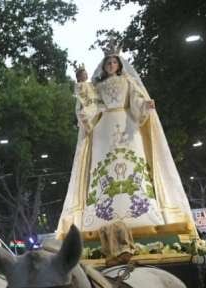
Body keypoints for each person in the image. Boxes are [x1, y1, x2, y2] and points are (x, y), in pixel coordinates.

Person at [57, 48, 196, 237]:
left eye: (114, 63)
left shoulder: (128, 81)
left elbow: (136, 100)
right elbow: (91, 104)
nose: (111, 66)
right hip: (104, 129)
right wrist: (82, 84)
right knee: (102, 167)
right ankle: (100, 214)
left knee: (133, 165)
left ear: (119, 65)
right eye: (108, 63)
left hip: (127, 124)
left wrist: (145, 105)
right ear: (104, 67)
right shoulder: (98, 86)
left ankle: (141, 210)